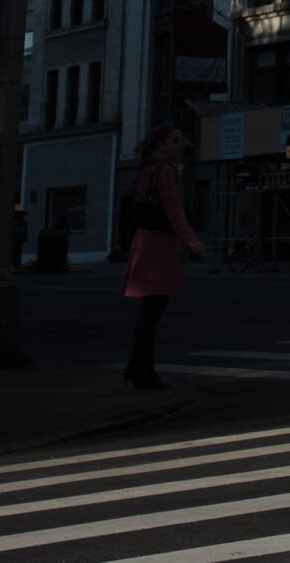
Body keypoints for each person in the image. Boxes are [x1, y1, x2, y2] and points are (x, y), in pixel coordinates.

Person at [122, 123, 205, 389]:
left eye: (181, 139)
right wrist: (191, 240)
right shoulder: (165, 171)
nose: (180, 145)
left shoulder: (146, 169)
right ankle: (142, 371)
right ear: (161, 145)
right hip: (158, 245)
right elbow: (173, 209)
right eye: (175, 140)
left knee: (149, 311)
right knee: (153, 310)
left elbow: (130, 201)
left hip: (144, 241)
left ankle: (137, 368)